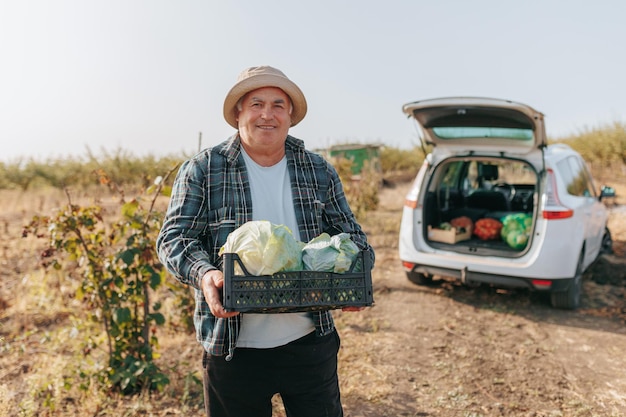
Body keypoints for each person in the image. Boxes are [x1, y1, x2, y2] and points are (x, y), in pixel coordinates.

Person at [156, 65, 375, 417]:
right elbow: (173, 238)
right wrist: (206, 274)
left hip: (309, 341)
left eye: (278, 104)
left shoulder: (318, 169)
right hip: (232, 346)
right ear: (238, 113)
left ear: (290, 115)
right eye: (256, 103)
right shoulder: (203, 168)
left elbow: (353, 237)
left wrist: (352, 270)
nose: (267, 114)